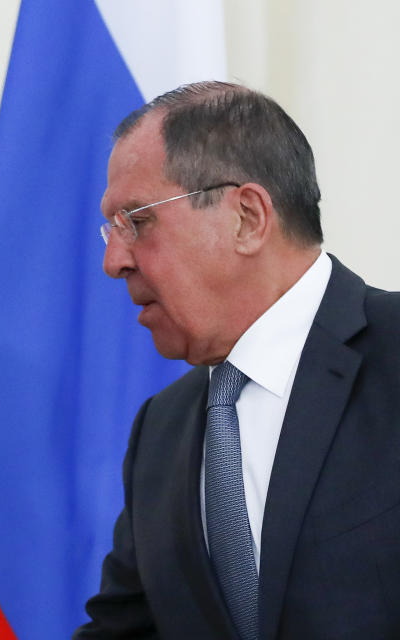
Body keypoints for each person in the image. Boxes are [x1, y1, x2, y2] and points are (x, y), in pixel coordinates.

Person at [76, 81, 400, 639]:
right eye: (111, 228)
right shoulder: (161, 429)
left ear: (246, 217)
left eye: (138, 221)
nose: (113, 261)